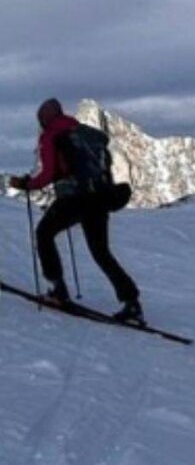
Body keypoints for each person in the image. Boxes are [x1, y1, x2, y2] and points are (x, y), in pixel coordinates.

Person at [8, 98, 142, 323]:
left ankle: (58, 290)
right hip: (100, 197)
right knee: (101, 251)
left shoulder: (52, 135)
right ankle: (132, 303)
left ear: (44, 119)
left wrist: (26, 184)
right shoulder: (85, 133)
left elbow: (48, 173)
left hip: (74, 198)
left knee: (44, 234)